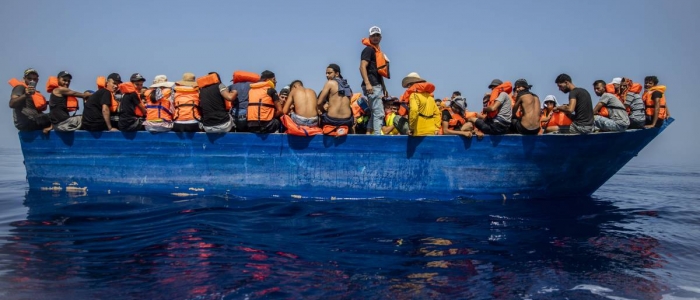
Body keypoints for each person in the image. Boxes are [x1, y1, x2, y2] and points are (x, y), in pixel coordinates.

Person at [360, 26, 390, 135]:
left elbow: (379, 72)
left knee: (374, 113)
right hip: (372, 85)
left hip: (376, 85)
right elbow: (362, 67)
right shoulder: (368, 50)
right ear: (369, 37)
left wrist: (384, 88)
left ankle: (369, 136)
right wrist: (368, 84)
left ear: (381, 37)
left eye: (377, 35)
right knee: (379, 113)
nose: (375, 37)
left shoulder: (376, 52)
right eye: (373, 35)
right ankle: (377, 138)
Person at [8, 68, 52, 133]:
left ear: (37, 80)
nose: (32, 81)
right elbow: (11, 104)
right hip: (27, 122)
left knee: (60, 115)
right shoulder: (20, 87)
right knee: (57, 116)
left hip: (35, 120)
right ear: (24, 78)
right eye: (29, 78)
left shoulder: (34, 93)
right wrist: (25, 95)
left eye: (34, 79)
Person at [318, 64, 355, 135]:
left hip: (331, 120)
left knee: (318, 114)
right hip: (347, 120)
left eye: (329, 73)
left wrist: (321, 111)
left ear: (337, 73)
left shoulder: (330, 83)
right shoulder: (348, 87)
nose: (327, 75)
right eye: (326, 73)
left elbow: (319, 103)